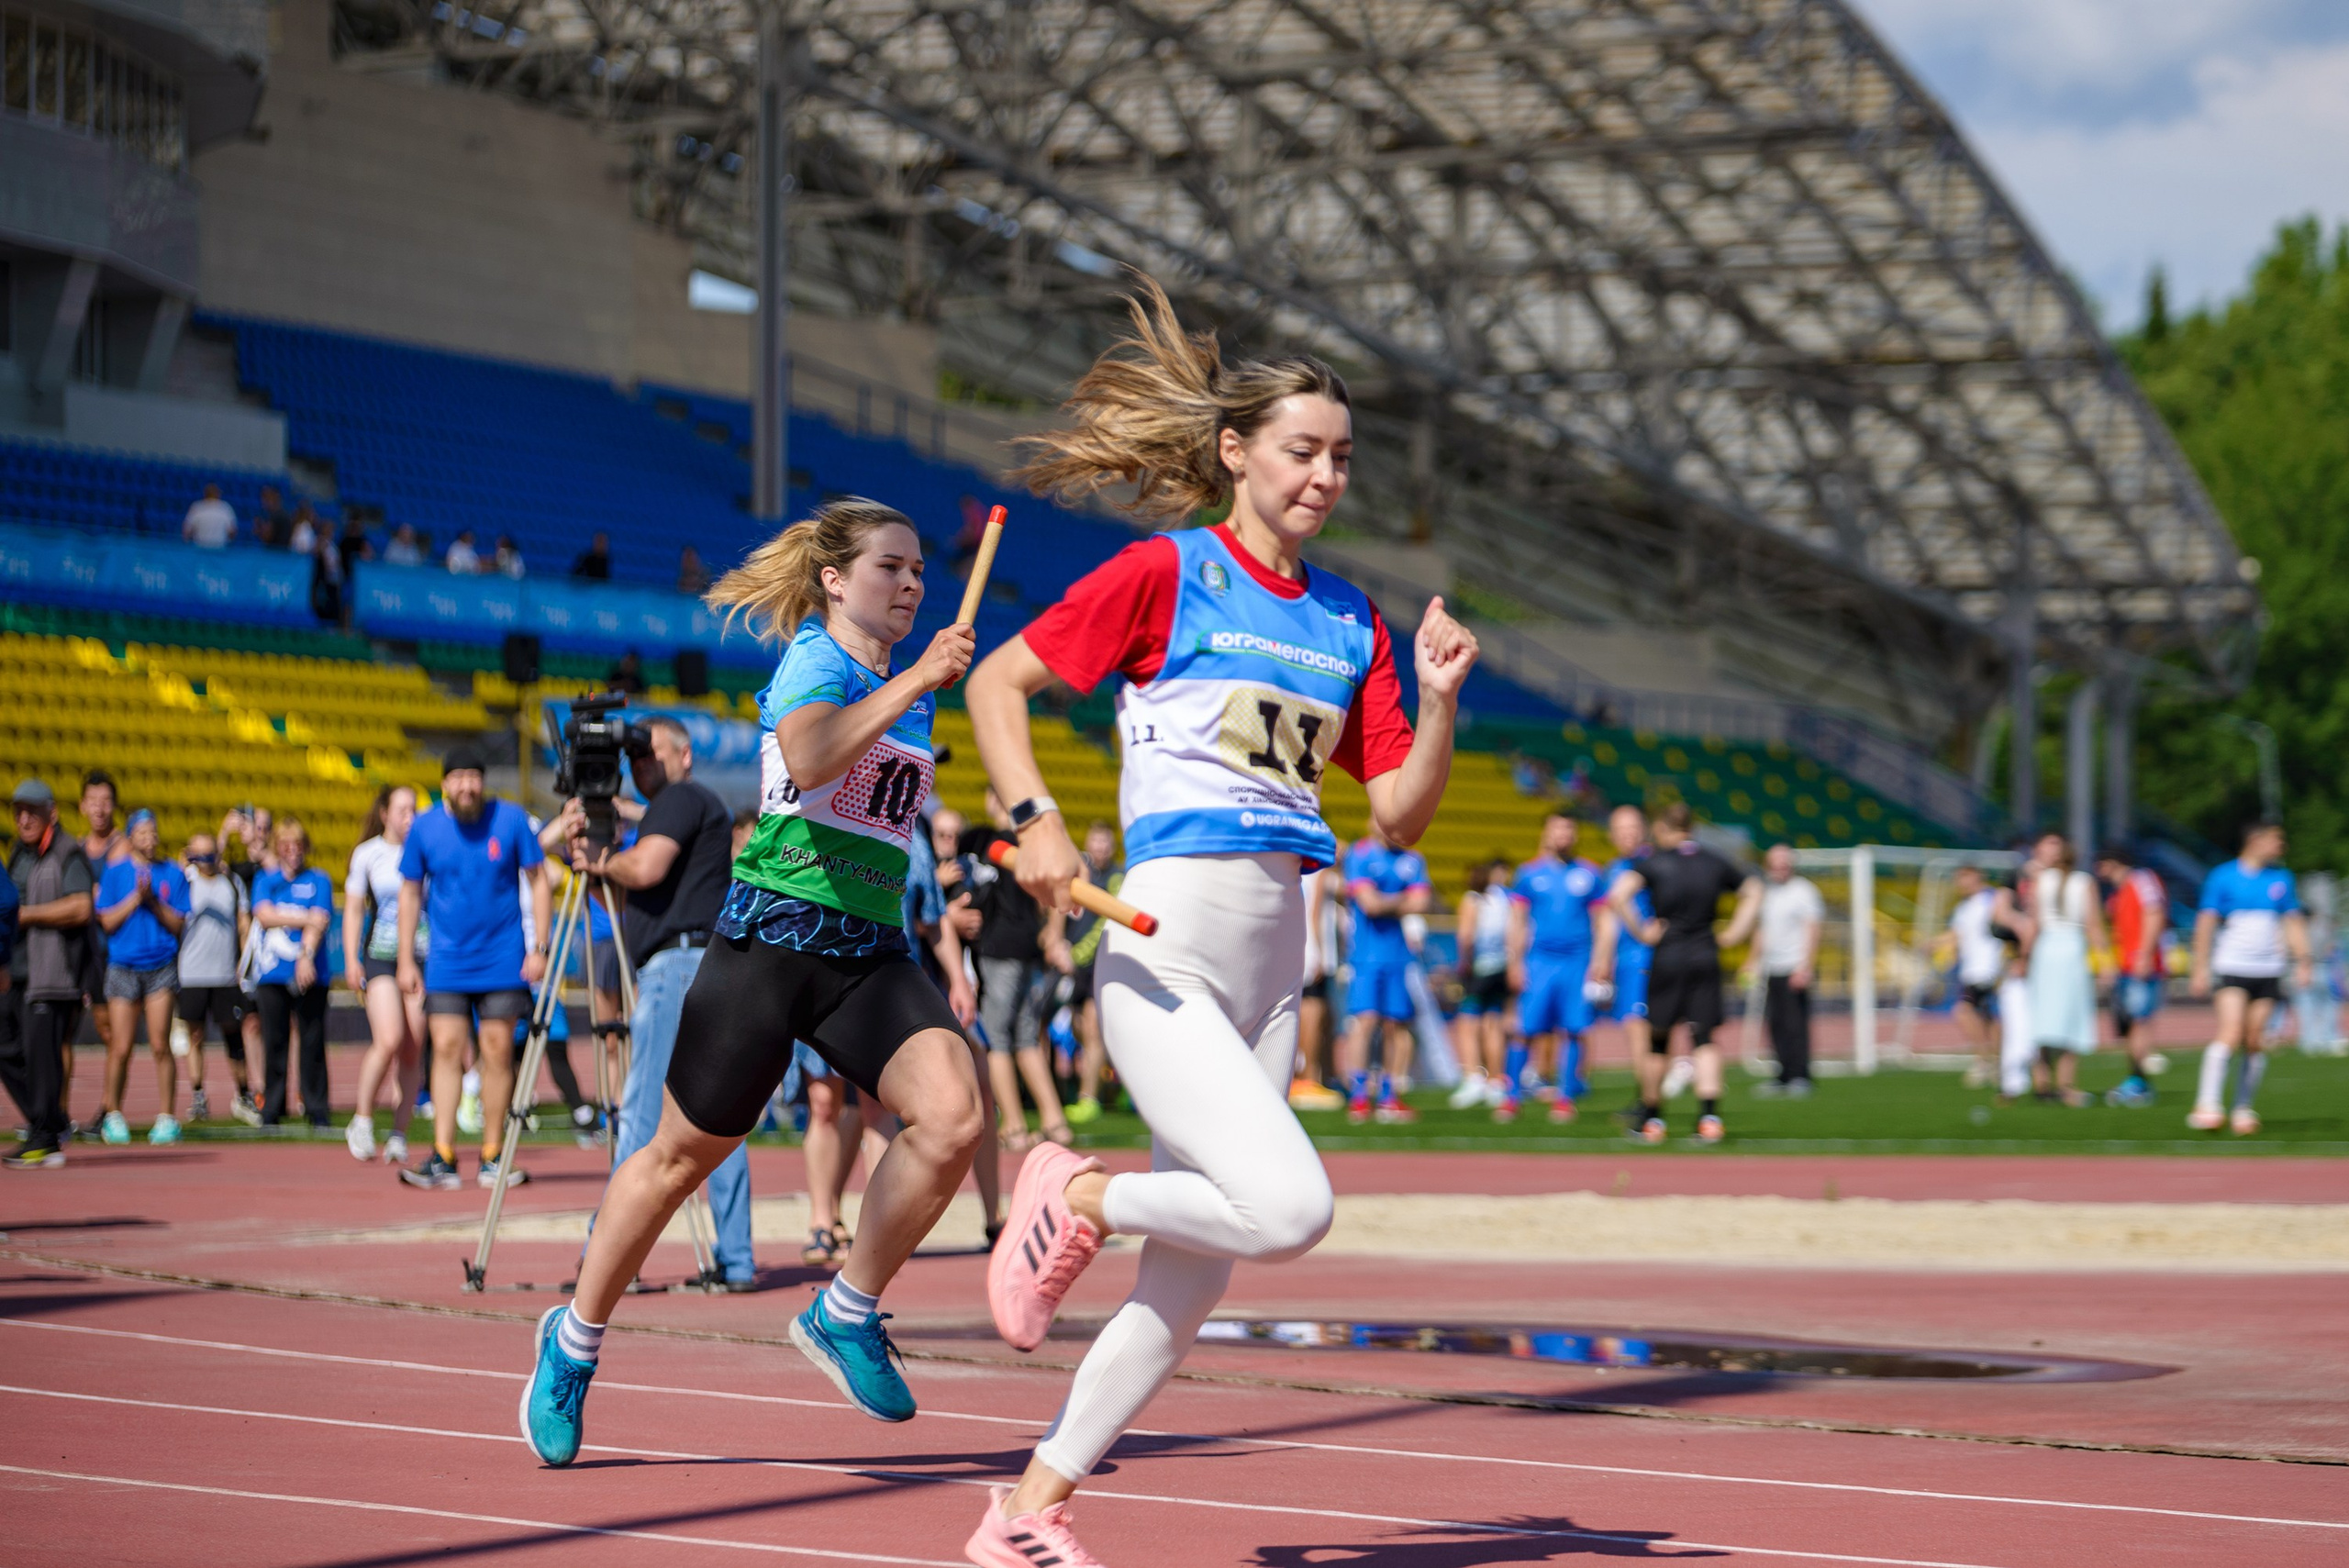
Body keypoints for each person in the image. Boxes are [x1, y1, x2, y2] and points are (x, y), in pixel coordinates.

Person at [959, 278, 1475, 1566]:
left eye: (1343, 458)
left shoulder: (1352, 619)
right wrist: (1034, 821)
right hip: (1167, 944)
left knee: (1192, 1288)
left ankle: (1027, 1507)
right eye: (1302, 451)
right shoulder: (1166, 572)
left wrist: (1437, 692)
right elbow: (996, 683)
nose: (1324, 477)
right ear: (1236, 453)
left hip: (1276, 964)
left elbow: (1401, 813)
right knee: (1289, 1209)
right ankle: (1073, 1185)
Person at [520, 498, 985, 1465]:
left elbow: (877, 817)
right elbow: (813, 757)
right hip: (770, 943)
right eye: (889, 568)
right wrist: (916, 682)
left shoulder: (910, 681)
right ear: (833, 578)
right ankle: (572, 1340)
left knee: (952, 1116)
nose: (910, 584)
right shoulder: (818, 661)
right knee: (676, 1157)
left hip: (866, 950)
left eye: (916, 572)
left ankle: (846, 1309)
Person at [562, 716, 746, 1287]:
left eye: (653, 753)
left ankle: (609, 1259)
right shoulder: (693, 806)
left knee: (641, 1117)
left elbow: (643, 869)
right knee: (718, 1118)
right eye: (635, 758)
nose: (643, 765)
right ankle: (736, 1260)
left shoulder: (680, 798)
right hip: (706, 967)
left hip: (675, 971)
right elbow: (635, 899)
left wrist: (600, 860)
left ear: (684, 754)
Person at [397, 745, 550, 1190]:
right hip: (446, 961)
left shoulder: (512, 819)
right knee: (444, 1048)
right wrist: (406, 958)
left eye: (474, 776)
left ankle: (492, 1154)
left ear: (483, 781)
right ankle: (443, 1156)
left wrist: (540, 946)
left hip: (503, 958)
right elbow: (409, 893)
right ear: (444, 783)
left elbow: (539, 880)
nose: (466, 785)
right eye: (457, 777)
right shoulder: (425, 827)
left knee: (498, 1052)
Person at [1600, 803, 1761, 1144]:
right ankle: (1709, 1119)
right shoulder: (1713, 860)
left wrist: (1643, 932)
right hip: (1705, 953)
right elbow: (1754, 890)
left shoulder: (1656, 862)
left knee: (1659, 1038)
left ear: (1661, 828)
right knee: (1704, 1038)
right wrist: (1735, 932)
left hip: (1669, 955)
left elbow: (1617, 896)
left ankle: (1653, 1121)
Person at [962, 790, 1075, 1151]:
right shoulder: (1035, 843)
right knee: (1026, 1035)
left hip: (1002, 948)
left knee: (996, 1038)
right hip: (1027, 946)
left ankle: (1012, 1124)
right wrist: (1052, 935)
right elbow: (1061, 892)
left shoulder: (990, 842)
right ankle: (1055, 1122)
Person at [2188, 821, 2310, 1135]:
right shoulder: (2223, 876)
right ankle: (2207, 1105)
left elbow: (2293, 920)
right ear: (2255, 840)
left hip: (2269, 969)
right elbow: (2206, 923)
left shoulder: (2282, 878)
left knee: (2255, 1039)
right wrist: (2200, 966)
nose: (2280, 845)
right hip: (2233, 965)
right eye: (2275, 839)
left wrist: (2304, 960)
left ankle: (2243, 1108)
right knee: (2231, 1032)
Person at [4, 781, 95, 1167]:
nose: (24, 819)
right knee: (7, 1047)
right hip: (18, 971)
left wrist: (27, 916)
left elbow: (81, 907)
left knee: (43, 1058)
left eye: (32, 812)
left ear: (51, 813)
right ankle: (51, 1121)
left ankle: (45, 1135)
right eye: (19, 812)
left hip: (54, 975)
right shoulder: (17, 854)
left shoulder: (66, 852)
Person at [343, 786, 428, 1163]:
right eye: (402, 809)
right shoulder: (368, 854)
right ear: (385, 813)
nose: (409, 816)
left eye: (414, 809)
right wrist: (350, 960)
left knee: (413, 1047)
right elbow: (354, 911)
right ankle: (362, 1119)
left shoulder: (426, 850)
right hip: (380, 955)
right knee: (390, 1037)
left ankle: (399, 1132)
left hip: (422, 955)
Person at [95, 810, 188, 1143]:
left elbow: (178, 924)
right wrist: (136, 897)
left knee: (161, 1044)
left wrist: (152, 900)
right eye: (143, 832)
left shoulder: (172, 874)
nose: (149, 838)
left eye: (154, 831)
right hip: (123, 965)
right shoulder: (115, 873)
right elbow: (107, 921)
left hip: (160, 966)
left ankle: (166, 1117)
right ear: (131, 837)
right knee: (120, 1046)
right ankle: (113, 1113)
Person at [1507, 814, 1606, 1124]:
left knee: (1574, 1029)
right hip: (1539, 960)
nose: (1563, 834)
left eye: (1568, 828)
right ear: (1546, 833)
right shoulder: (1528, 873)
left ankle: (1565, 1097)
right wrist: (1515, 962)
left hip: (1577, 961)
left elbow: (1602, 921)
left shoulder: (1590, 874)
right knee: (1525, 1029)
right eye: (1557, 828)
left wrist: (1601, 960)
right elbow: (1518, 921)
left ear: (1575, 834)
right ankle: (1511, 1096)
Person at [1338, 827, 1430, 1124]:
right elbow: (1370, 904)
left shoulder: (1413, 859)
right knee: (1364, 1022)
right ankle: (1360, 1096)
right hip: (1365, 956)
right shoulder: (1360, 854)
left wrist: (1385, 901)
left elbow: (1421, 903)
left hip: (1399, 956)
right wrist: (1400, 901)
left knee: (1396, 1026)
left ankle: (1390, 1096)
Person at [250, 817, 336, 1129]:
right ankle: (271, 1107)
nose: (292, 851)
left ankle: (316, 1107)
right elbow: (264, 916)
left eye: (297, 845)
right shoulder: (266, 879)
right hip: (272, 973)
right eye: (286, 845)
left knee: (312, 1041)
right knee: (274, 1041)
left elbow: (321, 919)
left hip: (310, 971)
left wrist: (306, 956)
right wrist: (304, 917)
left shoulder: (319, 879)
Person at [176, 832, 257, 1125]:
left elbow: (243, 923)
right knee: (194, 1037)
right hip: (192, 973)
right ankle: (198, 1095)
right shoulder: (184, 880)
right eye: (199, 856)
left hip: (225, 974)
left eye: (211, 855)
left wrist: (243, 961)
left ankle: (244, 1094)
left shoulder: (231, 882)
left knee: (233, 1035)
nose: (205, 862)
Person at [1590, 803, 1654, 1115]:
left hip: (1647, 958)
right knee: (1635, 1030)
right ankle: (1647, 1096)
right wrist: (1601, 960)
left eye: (1633, 828)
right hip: (1626, 960)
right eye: (1621, 830)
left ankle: (1649, 1102)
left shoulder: (1653, 864)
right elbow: (1607, 922)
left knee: (1638, 1027)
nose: (1628, 835)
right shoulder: (1613, 870)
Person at [1749, 843, 1824, 1097]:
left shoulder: (1804, 891)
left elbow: (1812, 929)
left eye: (1784, 864)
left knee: (1795, 1024)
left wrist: (1806, 966)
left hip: (1794, 966)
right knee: (1775, 1024)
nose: (1779, 869)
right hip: (1772, 967)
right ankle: (1782, 1075)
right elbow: (1761, 930)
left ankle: (1800, 1075)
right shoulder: (1766, 892)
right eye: (1775, 864)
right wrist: (1752, 960)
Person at [1060, 821, 1122, 1124]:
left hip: (1101, 964)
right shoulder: (1079, 870)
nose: (1100, 848)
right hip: (1075, 967)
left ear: (1112, 847)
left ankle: (1089, 1099)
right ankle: (1106, 1088)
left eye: (1105, 843)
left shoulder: (1117, 877)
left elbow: (1105, 923)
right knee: (1078, 1029)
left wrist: (1075, 954)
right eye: (1095, 842)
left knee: (1094, 1030)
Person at [2099, 846, 2167, 1107]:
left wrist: (2145, 954)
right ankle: (2137, 1079)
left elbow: (2154, 912)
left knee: (2139, 1021)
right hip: (2126, 965)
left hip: (2140, 965)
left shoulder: (2141, 879)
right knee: (2128, 1025)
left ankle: (2139, 1082)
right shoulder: (2121, 891)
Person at [1449, 858, 1515, 1116]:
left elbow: (1466, 935)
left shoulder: (1472, 899)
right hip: (1500, 965)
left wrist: (1463, 963)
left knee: (1468, 1023)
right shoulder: (1502, 899)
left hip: (1479, 967)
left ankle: (1473, 1074)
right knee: (1493, 1022)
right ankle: (1496, 1078)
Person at [1944, 864, 2006, 1090]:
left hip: (1993, 966)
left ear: (1977, 876)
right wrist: (1936, 945)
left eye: (1963, 877)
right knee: (1968, 1012)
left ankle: (1994, 1062)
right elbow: (1956, 935)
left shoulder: (1993, 898)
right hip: (1971, 970)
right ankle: (1986, 1060)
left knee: (1991, 1017)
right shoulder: (1963, 907)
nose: (1960, 883)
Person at [1288, 865, 1343, 1110]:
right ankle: (1308, 1076)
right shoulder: (1319, 872)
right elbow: (1316, 912)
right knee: (1313, 1008)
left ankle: (1312, 1074)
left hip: (1303, 944)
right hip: (1314, 947)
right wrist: (1319, 950)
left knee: (1315, 1010)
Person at [183, 484, 237, 548]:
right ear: (218, 494)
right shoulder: (226, 508)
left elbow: (187, 531)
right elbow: (232, 531)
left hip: (199, 547)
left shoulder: (196, 507)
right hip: (219, 548)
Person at [253, 485, 292, 550]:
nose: (264, 502)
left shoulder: (277, 516)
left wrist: (259, 528)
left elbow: (267, 537)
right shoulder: (282, 514)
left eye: (267, 498)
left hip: (276, 554)